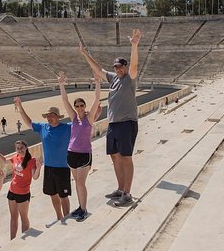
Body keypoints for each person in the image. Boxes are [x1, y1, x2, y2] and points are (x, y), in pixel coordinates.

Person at [79, 28, 141, 207]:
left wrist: (135, 46)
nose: (118, 69)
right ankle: (121, 189)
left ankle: (127, 194)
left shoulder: (130, 77)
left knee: (126, 157)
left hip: (127, 123)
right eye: (116, 66)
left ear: (126, 67)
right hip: (113, 123)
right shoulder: (113, 78)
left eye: (121, 66)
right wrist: (84, 54)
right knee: (114, 156)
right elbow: (98, 70)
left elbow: (135, 65)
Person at [14, 96, 72, 226]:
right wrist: (20, 107)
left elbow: (83, 125)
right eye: (48, 116)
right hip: (49, 168)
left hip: (63, 167)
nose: (49, 118)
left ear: (58, 117)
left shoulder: (67, 127)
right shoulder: (43, 127)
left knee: (63, 196)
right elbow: (28, 122)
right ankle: (59, 217)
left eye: (52, 115)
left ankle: (66, 217)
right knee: (52, 194)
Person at [57, 71, 101, 222]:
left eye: (82, 105)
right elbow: (64, 100)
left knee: (81, 183)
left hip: (84, 154)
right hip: (71, 154)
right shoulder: (74, 117)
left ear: (84, 106)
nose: (80, 107)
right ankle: (80, 207)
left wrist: (97, 82)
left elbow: (97, 99)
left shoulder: (89, 118)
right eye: (77, 106)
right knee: (77, 183)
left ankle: (84, 209)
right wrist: (61, 83)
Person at [0, 139, 42, 240]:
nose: (20, 150)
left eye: (21, 148)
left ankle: (25, 238)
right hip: (12, 191)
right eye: (18, 148)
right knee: (13, 218)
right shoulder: (15, 157)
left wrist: (38, 168)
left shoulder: (32, 160)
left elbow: (35, 177)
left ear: (26, 147)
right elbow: (4, 160)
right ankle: (12, 240)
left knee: (23, 217)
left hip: (23, 193)